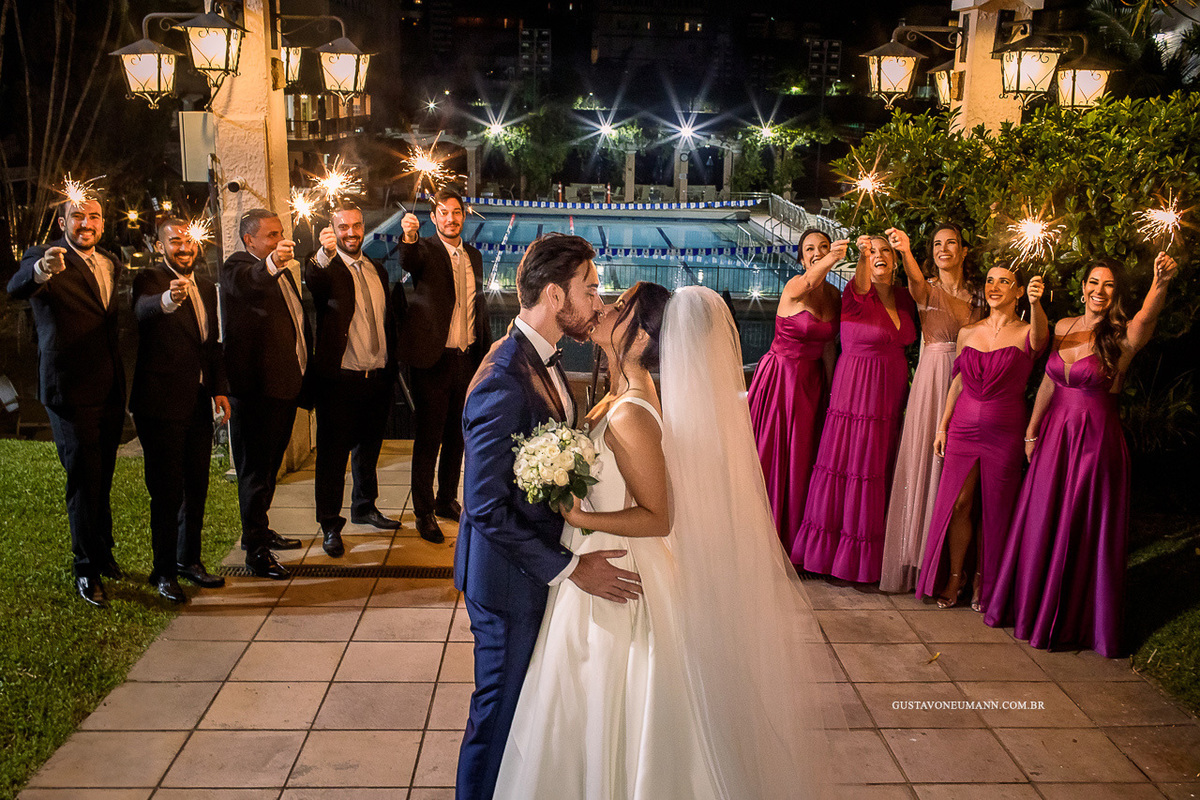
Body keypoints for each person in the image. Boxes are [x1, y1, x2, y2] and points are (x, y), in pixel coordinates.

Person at [495, 284, 837, 799]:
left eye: (618, 308)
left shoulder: (632, 410)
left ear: (641, 337)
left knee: (615, 700)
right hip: (605, 562)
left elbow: (659, 517)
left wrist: (583, 518)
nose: (604, 307)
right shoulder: (620, 390)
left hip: (619, 570)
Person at [456, 233, 641, 800]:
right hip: (507, 580)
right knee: (498, 710)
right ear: (556, 295)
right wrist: (568, 568)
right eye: (590, 289)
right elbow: (483, 504)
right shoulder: (502, 379)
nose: (598, 300)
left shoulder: (548, 358)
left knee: (525, 714)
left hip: (533, 566)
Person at [986, 254, 1177, 657]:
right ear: (1083, 286)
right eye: (1093, 282)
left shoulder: (1123, 335)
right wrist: (1032, 429)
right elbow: (1048, 385)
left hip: (1095, 443)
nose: (1098, 291)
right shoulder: (1062, 326)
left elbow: (1145, 318)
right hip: (1055, 438)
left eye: (1108, 285)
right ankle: (1032, 609)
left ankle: (1073, 620)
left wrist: (1160, 283)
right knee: (1043, 519)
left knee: (1081, 526)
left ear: (1116, 293)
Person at [7, 196, 126, 607]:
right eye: (78, 216)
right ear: (63, 221)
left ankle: (104, 554)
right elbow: (16, 287)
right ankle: (85, 570)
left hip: (109, 388)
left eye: (94, 216)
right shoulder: (44, 256)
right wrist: (41, 271)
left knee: (103, 475)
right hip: (68, 389)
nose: (86, 222)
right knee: (83, 479)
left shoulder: (111, 261)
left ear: (103, 222)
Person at [916, 266, 1047, 610]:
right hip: (963, 428)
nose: (994, 286)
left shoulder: (1027, 331)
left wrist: (1036, 303)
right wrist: (943, 425)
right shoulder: (968, 331)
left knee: (995, 508)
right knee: (959, 504)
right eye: (990, 280)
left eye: (1004, 281)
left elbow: (1040, 342)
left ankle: (984, 581)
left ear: (1018, 291)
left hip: (1005, 430)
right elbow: (957, 382)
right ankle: (955, 577)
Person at [792, 235, 917, 581]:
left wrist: (905, 251)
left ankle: (870, 561)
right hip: (857, 393)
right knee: (852, 465)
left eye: (884, 252)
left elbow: (922, 291)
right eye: (872, 253)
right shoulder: (856, 294)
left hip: (889, 397)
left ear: (894, 259)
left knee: (877, 467)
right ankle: (837, 558)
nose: (879, 256)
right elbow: (863, 279)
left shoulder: (905, 298)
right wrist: (862, 253)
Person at [130, 218, 231, 603]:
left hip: (198, 403)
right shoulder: (150, 281)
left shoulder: (207, 286)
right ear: (160, 247)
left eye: (188, 240)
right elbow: (142, 311)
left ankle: (190, 560)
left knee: (197, 486)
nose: (184, 247)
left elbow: (213, 346)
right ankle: (164, 570)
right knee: (167, 491)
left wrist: (220, 390)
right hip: (159, 405)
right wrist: (168, 300)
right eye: (175, 241)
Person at [879, 224, 981, 593]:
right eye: (937, 244)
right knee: (925, 462)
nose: (944, 249)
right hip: (933, 376)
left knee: (960, 476)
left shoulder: (979, 294)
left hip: (970, 378)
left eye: (951, 242)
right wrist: (904, 251)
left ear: (964, 250)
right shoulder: (927, 289)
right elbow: (915, 282)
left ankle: (952, 565)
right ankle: (920, 558)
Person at [395, 188, 492, 544]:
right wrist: (408, 236)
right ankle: (422, 513)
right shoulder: (425, 251)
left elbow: (477, 306)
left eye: (456, 212)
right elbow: (408, 260)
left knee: (457, 437)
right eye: (443, 213)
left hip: (467, 359)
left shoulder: (475, 256)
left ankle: (445, 499)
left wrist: (484, 356)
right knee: (429, 439)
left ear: (463, 216)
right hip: (433, 361)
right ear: (434, 218)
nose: (450, 218)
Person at [220, 209, 309, 580]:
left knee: (269, 471)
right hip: (256, 393)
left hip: (283, 389)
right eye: (270, 235)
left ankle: (260, 529)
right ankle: (255, 551)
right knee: (255, 473)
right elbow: (250, 282)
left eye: (280, 233)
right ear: (249, 240)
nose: (278, 240)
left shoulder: (280, 271)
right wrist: (271, 262)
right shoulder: (237, 268)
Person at [306, 204, 399, 558]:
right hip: (340, 380)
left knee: (368, 451)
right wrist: (322, 255)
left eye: (356, 225)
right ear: (333, 229)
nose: (351, 232)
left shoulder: (376, 269)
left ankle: (364, 506)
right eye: (343, 227)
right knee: (332, 457)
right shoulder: (328, 270)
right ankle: (330, 523)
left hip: (376, 375)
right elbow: (313, 280)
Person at [747, 229, 843, 549]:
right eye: (810, 249)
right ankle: (761, 536)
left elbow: (829, 345)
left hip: (811, 384)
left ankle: (796, 541)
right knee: (772, 457)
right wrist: (828, 260)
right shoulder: (795, 286)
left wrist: (830, 391)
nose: (817, 252)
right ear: (801, 258)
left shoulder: (834, 296)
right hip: (780, 382)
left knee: (803, 459)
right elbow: (810, 281)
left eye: (824, 247)